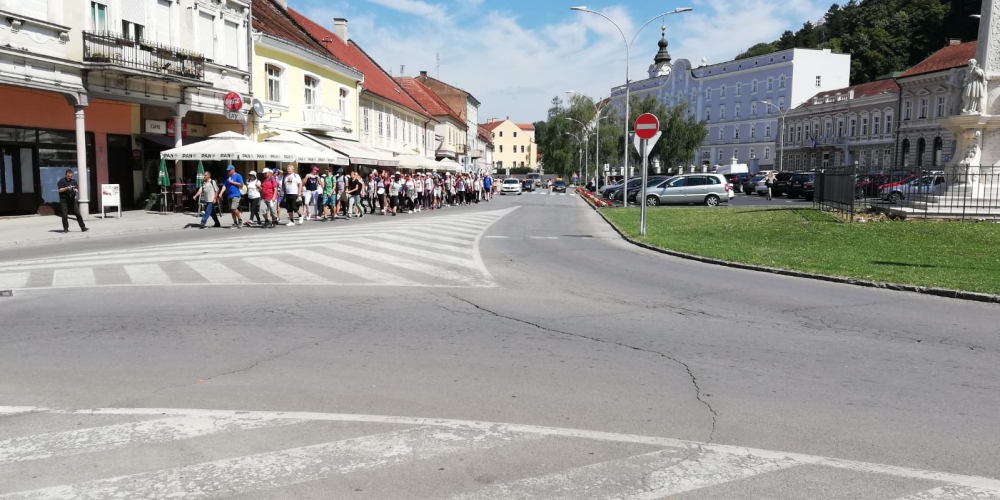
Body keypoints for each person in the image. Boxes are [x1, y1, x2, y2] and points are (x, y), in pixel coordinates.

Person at [56, 169, 88, 233]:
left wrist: (75, 190)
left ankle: (83, 227)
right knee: (64, 215)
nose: (70, 177)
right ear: (66, 175)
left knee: (77, 213)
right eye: (68, 176)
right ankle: (65, 228)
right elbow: (60, 190)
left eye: (71, 176)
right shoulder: (61, 181)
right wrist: (66, 188)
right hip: (64, 200)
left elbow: (76, 188)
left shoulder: (74, 181)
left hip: (72, 199)